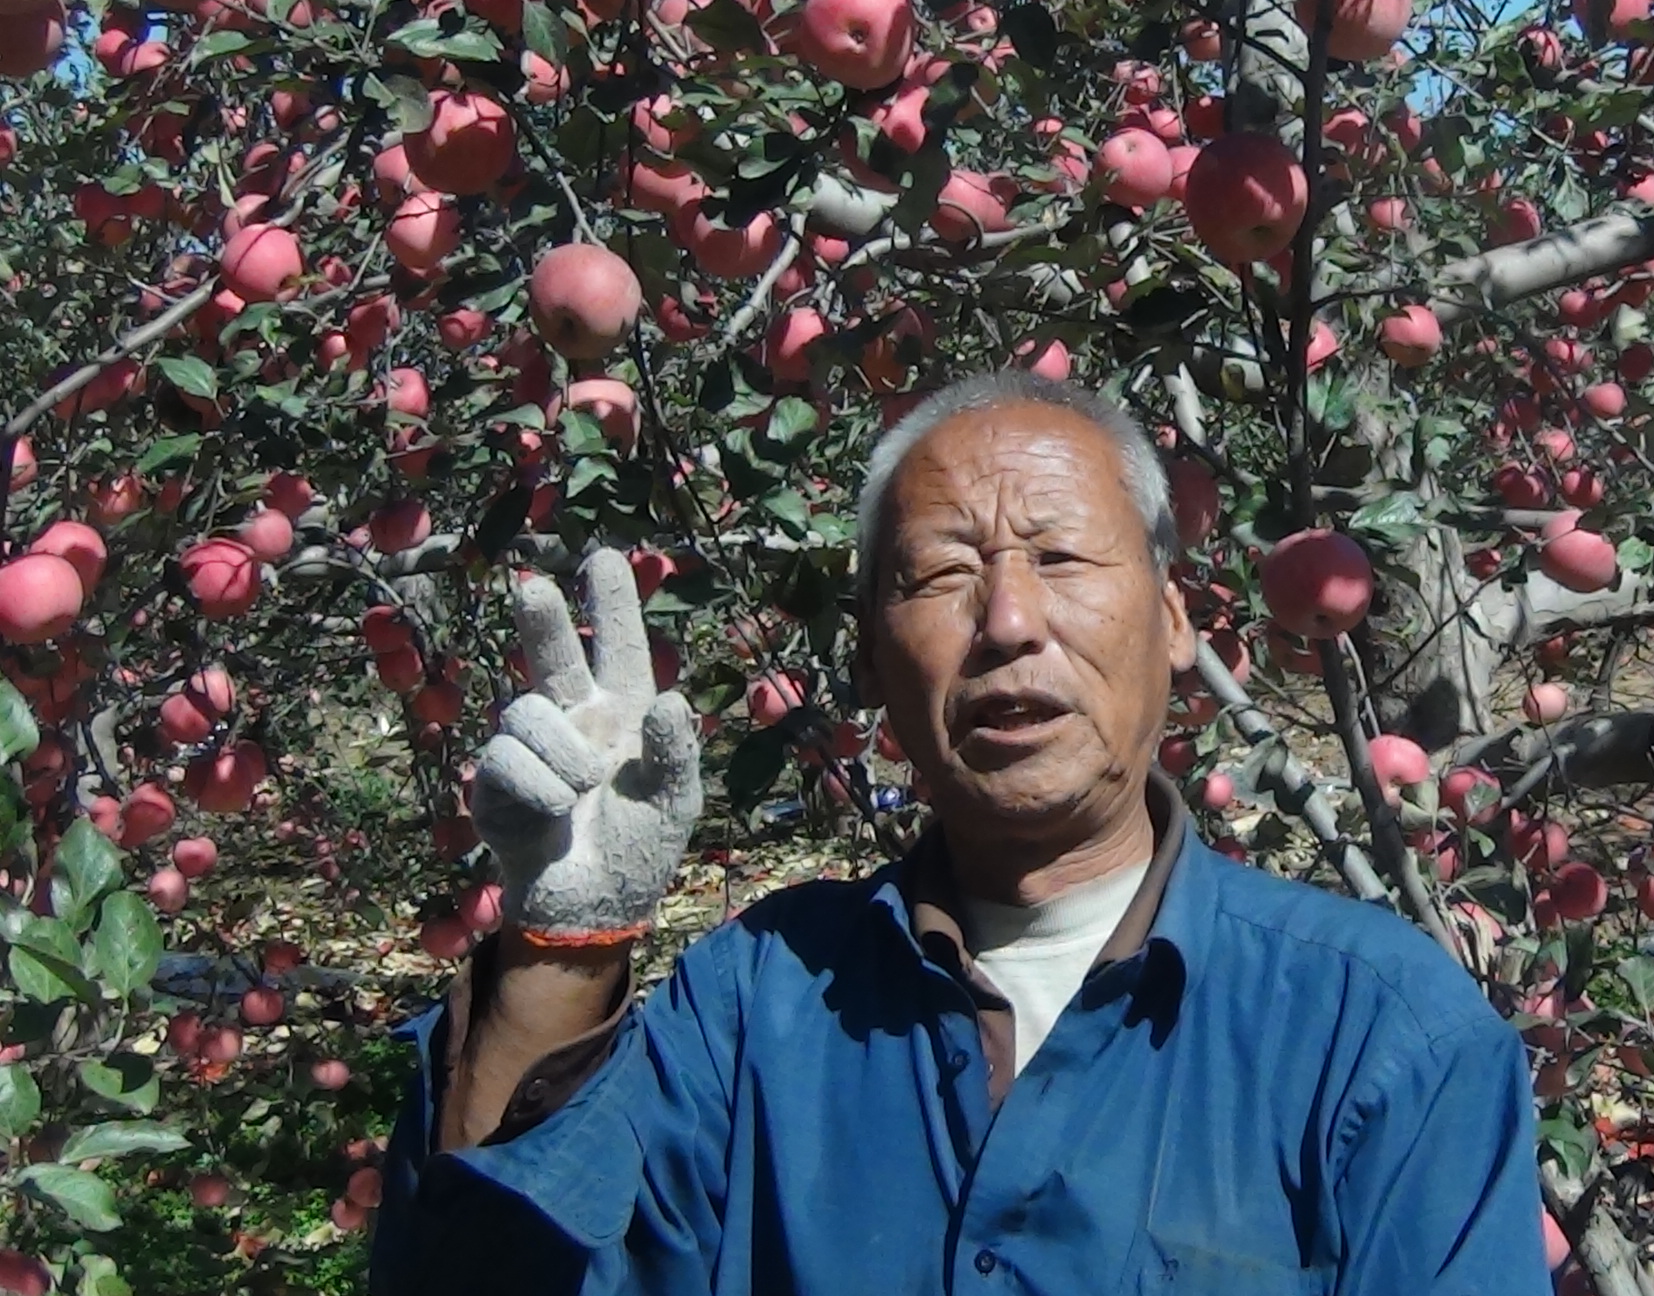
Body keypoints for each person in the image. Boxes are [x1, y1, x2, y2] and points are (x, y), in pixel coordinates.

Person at [370, 372, 1551, 1295]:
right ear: (875, 666)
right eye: (938, 574)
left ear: (1178, 622)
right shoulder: (754, 1007)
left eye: (1061, 556)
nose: (1008, 620)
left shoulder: (1386, 1040)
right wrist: (564, 947)